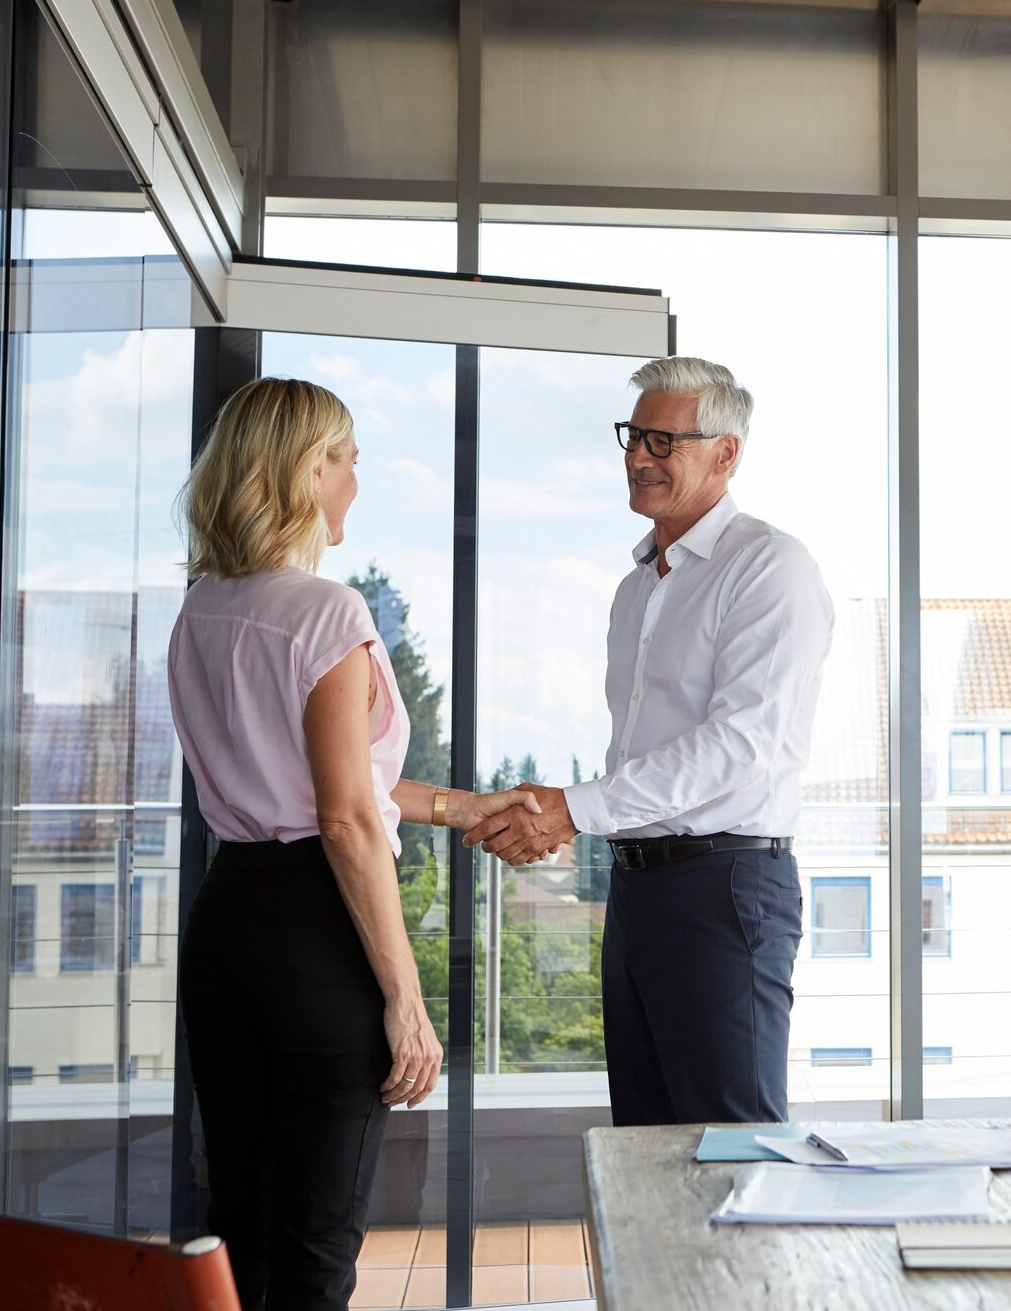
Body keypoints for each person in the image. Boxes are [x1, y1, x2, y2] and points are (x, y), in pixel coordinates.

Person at [169, 377, 538, 1311]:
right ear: (306, 470)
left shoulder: (201, 610)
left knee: (242, 1223)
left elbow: (315, 783)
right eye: (350, 461)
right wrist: (406, 1000)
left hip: (228, 921)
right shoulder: (327, 614)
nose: (356, 485)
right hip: (315, 933)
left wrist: (457, 807)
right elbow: (342, 817)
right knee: (317, 1244)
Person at [465, 356, 834, 1128]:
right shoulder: (636, 587)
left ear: (725, 453)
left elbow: (741, 744)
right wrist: (566, 815)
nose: (638, 457)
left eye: (664, 442)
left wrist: (575, 809)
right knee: (649, 1138)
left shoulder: (769, 567)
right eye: (635, 437)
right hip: (636, 889)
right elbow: (638, 755)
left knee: (735, 1145)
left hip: (726, 888)